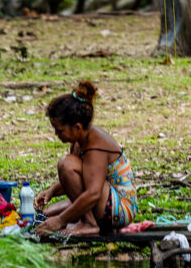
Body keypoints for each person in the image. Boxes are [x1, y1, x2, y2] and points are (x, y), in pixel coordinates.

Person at [34, 80, 138, 236]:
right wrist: (51, 192)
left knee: (66, 163)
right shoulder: (78, 142)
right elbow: (78, 178)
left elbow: (93, 193)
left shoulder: (96, 145)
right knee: (47, 214)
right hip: (105, 201)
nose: (57, 135)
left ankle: (89, 224)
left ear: (77, 127)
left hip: (121, 208)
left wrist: (61, 220)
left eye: (60, 131)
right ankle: (83, 220)